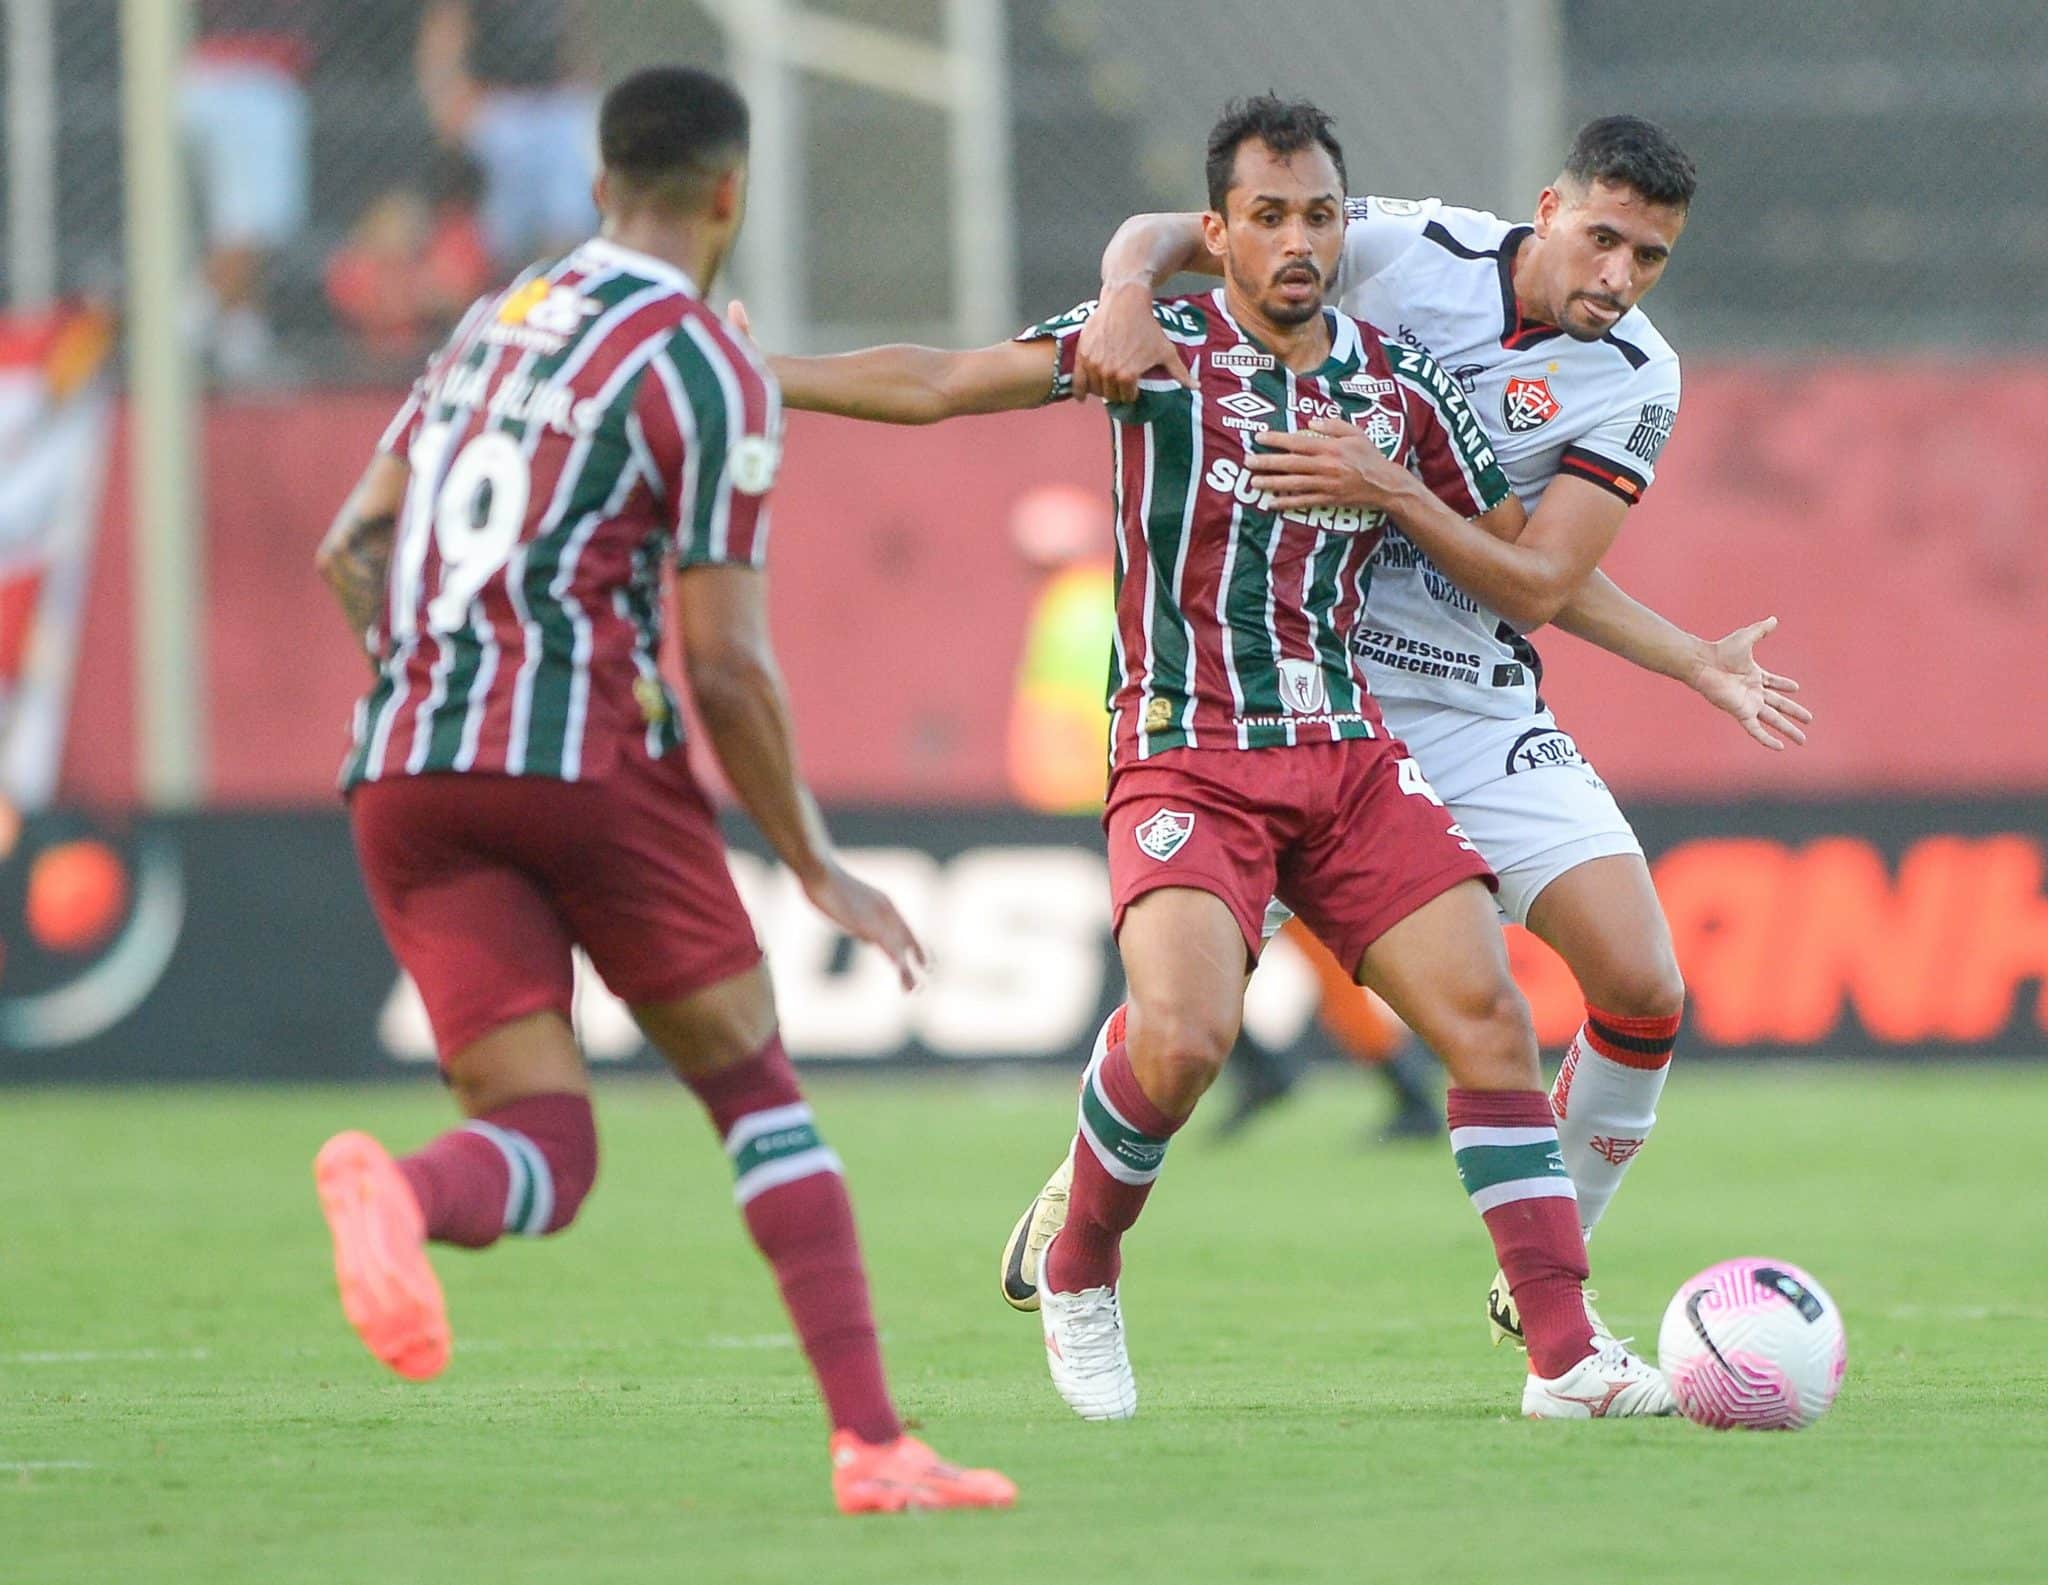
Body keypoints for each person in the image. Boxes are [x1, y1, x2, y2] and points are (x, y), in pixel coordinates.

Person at [738, 96, 1673, 1421]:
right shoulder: (1153, 345)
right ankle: (1081, 1265)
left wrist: (1407, 493)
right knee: (1181, 1041)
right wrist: (756, 371)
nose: (1299, 242)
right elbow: (942, 382)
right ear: (1218, 233)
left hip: (1349, 755)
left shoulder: (1408, 390)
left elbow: (1526, 563)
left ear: (1347, 231)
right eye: (1269, 217)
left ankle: (1565, 1357)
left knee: (1491, 1021)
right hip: (1190, 753)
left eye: (1321, 217)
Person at [310, 65, 1013, 1515]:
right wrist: (814, 861)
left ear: (594, 188)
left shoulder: (484, 327)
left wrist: (437, 680)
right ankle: (878, 1448)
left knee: (545, 1146)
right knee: (757, 1092)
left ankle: (406, 1189)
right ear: (729, 195)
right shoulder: (703, 360)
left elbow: (348, 550)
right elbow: (729, 667)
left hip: (404, 767)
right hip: (581, 758)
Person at [1006, 115, 1813, 1354]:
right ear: (1546, 209)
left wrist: (1688, 656)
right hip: (1300, 677)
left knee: (1643, 986)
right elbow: (1185, 231)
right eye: (1601, 239)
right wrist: (1122, 291)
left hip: (1473, 698)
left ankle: (1553, 1262)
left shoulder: (1638, 377)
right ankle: (1083, 1189)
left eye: (1647, 259)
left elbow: (1536, 582)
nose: (1616, 277)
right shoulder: (1403, 248)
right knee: (1188, 1013)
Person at [180, 0, 314, 380]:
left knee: (244, 225)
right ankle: (179, 331)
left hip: (221, 74)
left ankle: (243, 346)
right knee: (252, 226)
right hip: (247, 76)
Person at [418, 0, 598, 271]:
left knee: (570, 207)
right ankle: (510, 287)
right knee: (506, 226)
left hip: (557, 101)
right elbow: (444, 28)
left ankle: (560, 283)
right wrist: (446, 96)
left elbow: (574, 30)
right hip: (497, 103)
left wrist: (583, 81)